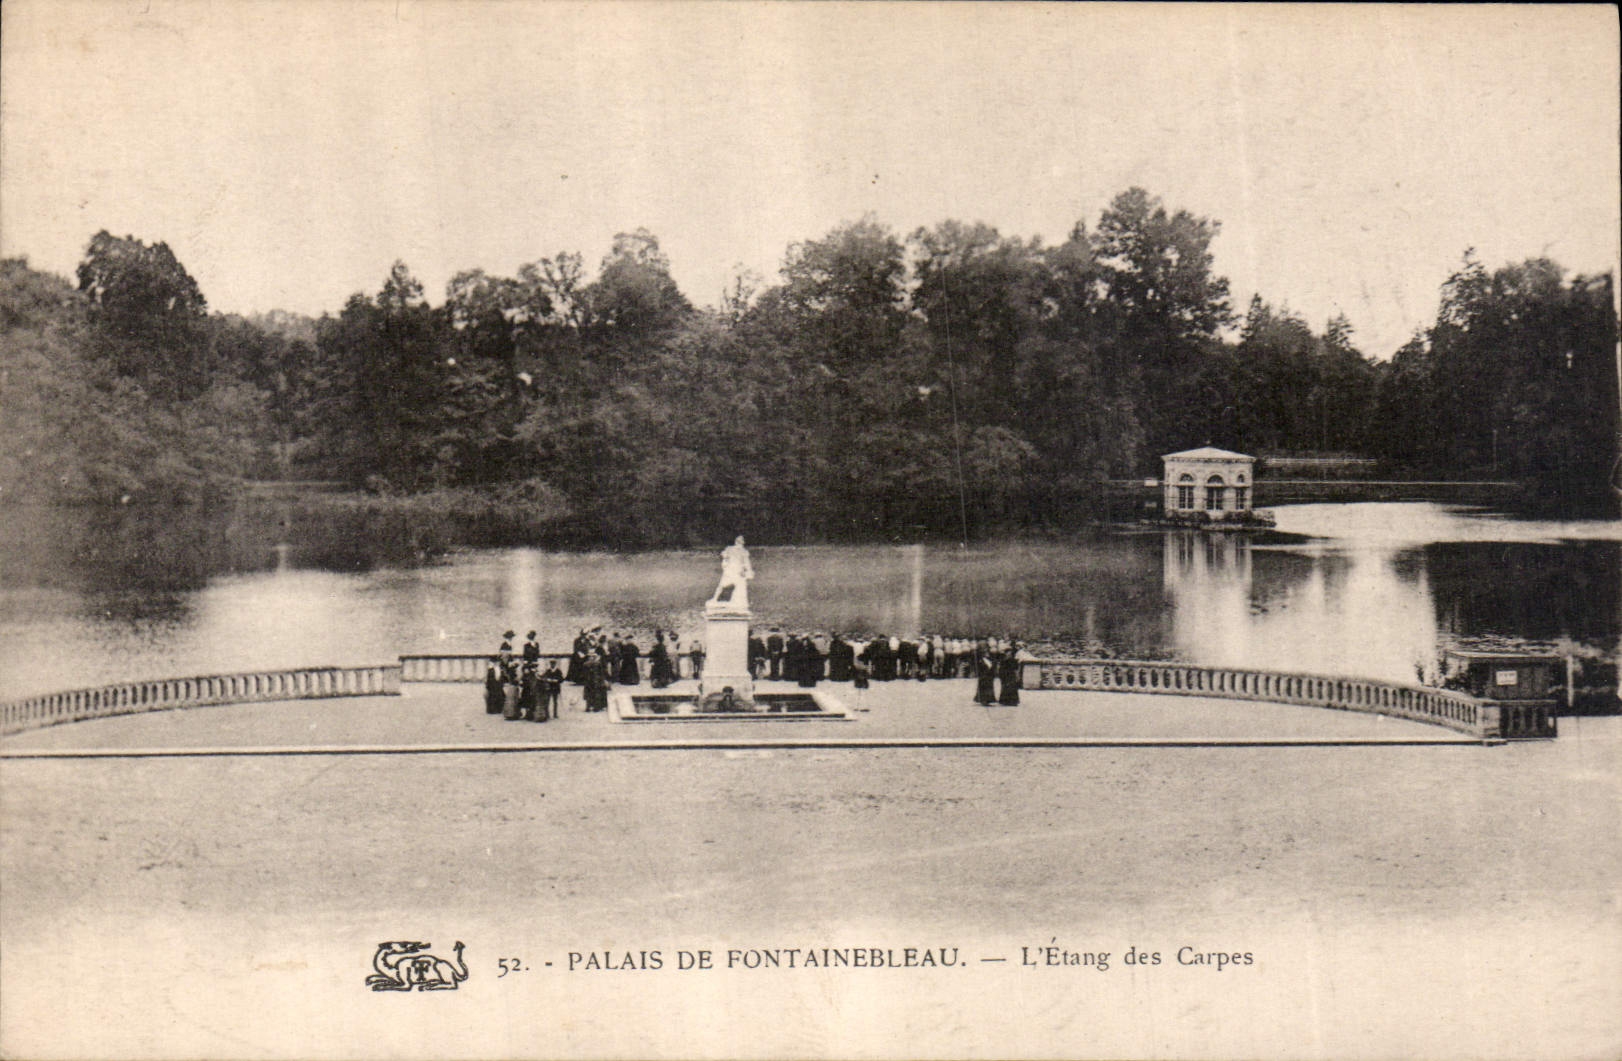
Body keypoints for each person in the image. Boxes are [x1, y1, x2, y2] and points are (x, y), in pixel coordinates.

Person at [998, 640, 1023, 706]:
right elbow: (1001, 669)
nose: (1009, 654)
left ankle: (1012, 701)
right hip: (1006, 675)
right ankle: (1006, 701)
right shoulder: (1004, 660)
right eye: (1007, 653)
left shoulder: (1012, 660)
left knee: (1011, 688)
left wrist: (1017, 675)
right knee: (1006, 688)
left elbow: (1016, 668)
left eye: (1010, 653)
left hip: (1011, 675)